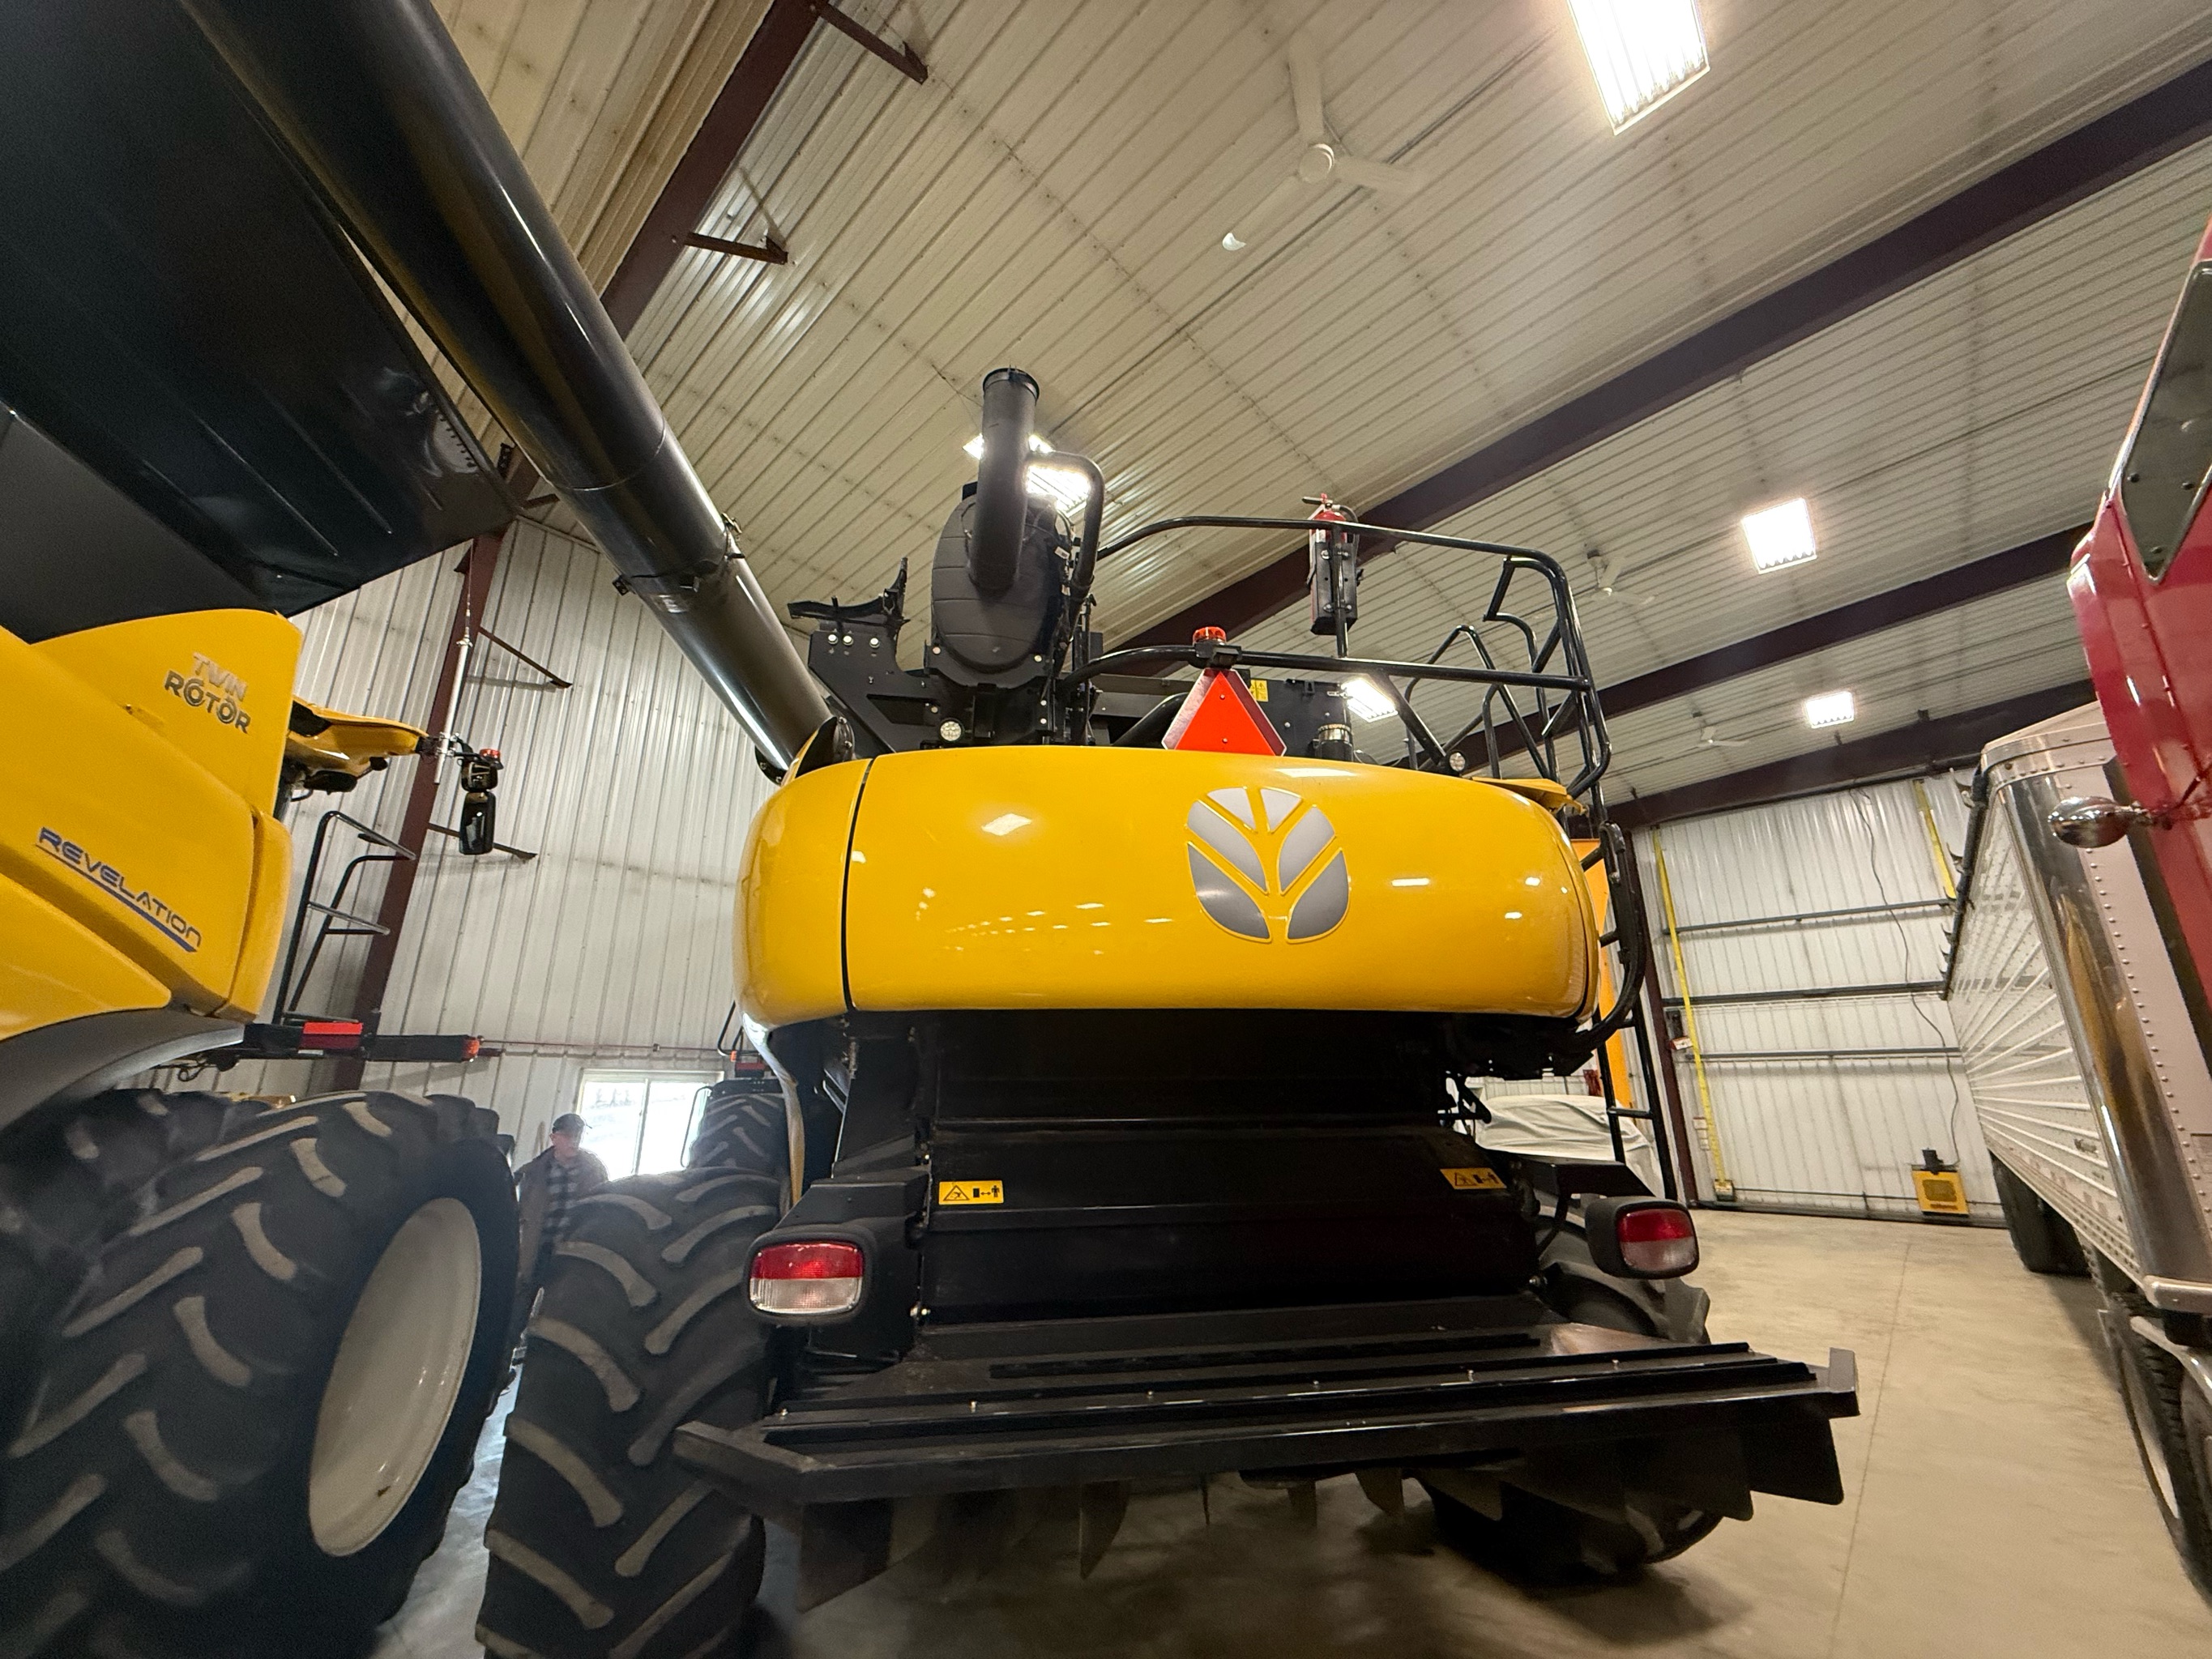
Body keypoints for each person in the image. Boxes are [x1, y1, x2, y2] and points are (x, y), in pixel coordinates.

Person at [511, 1111, 608, 1350]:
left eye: (578, 1135)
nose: (574, 1141)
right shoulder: (532, 1173)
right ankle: (503, 1363)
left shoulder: (593, 1171)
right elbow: (522, 1215)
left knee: (564, 1309)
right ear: (554, 1138)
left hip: (571, 1250)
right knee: (518, 1308)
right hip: (537, 1250)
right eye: (568, 1136)